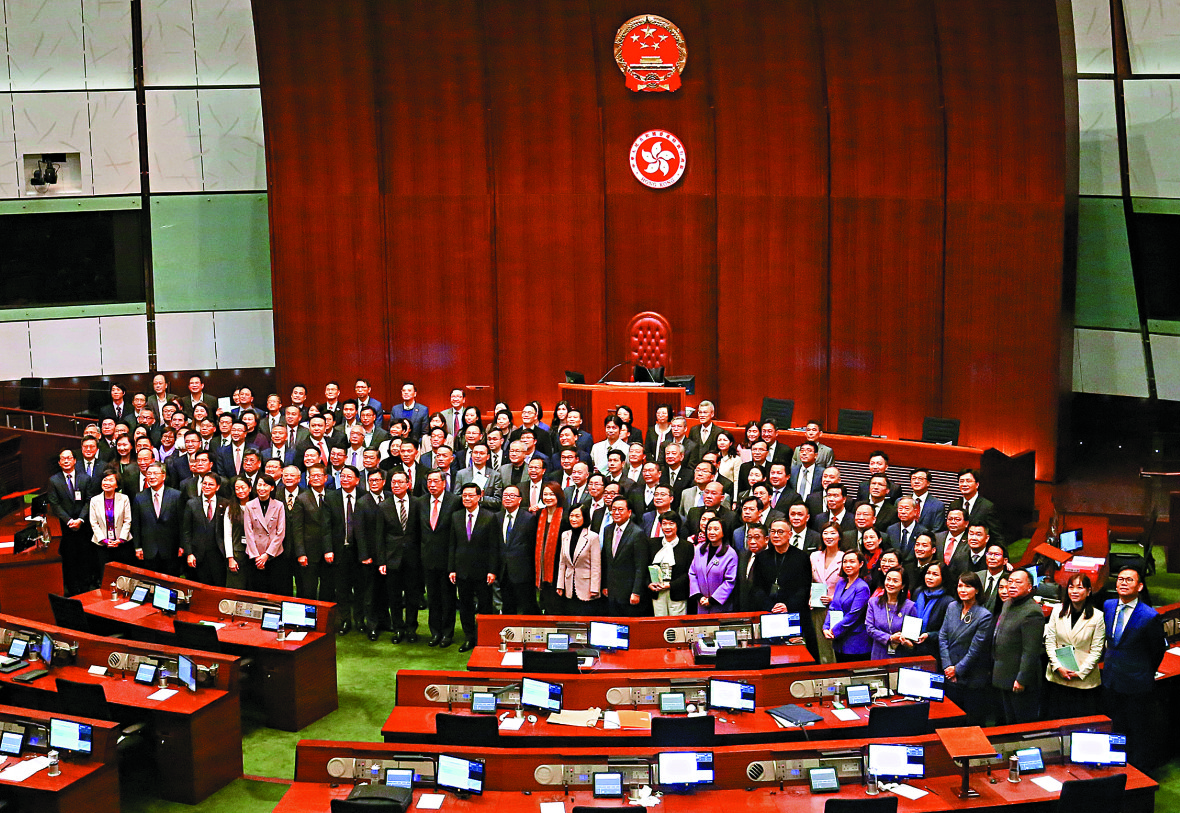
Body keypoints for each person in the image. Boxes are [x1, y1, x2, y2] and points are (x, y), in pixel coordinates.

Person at [1102, 565, 1167, 769]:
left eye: (1129, 580)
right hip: (1111, 680)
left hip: (1136, 684)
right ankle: (1114, 765)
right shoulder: (1108, 605)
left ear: (1139, 586)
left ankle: (1138, 772)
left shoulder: (1149, 616)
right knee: (1115, 726)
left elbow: (1157, 651)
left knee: (1137, 731)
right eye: (1120, 579)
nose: (1123, 583)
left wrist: (1143, 672)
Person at [448, 483, 502, 652]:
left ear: (479, 497)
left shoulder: (490, 516)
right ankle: (469, 637)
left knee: (485, 606)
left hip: (483, 570)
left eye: (471, 495)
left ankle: (485, 638)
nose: (467, 498)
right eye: (464, 495)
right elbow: (452, 545)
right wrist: (452, 568)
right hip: (462, 570)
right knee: (465, 606)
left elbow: (494, 546)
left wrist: (492, 570)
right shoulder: (456, 516)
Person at [1043, 573, 1104, 718]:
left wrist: (1080, 672)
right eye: (1071, 587)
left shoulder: (1097, 616)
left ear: (1089, 591)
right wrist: (1058, 667)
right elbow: (1050, 642)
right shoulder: (1057, 610)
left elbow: (1096, 650)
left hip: (1083, 681)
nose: (1074, 591)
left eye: (1080, 587)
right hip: (1058, 677)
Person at [939, 572, 993, 726]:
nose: (962, 590)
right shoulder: (952, 607)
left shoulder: (984, 616)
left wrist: (957, 670)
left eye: (968, 586)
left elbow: (976, 649)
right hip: (950, 675)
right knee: (951, 721)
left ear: (976, 590)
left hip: (971, 678)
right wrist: (947, 666)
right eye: (960, 586)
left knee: (970, 723)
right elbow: (943, 637)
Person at [991, 568, 1044, 724]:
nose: (1012, 585)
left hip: (1018, 678)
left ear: (1029, 588)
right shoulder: (1008, 604)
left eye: (1018, 582)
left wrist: (1022, 679)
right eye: (1010, 582)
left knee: (1020, 724)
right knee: (1006, 722)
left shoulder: (1032, 612)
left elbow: (1031, 651)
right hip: (1003, 673)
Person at [242, 473, 290, 595]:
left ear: (272, 488)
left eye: (265, 485)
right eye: (259, 485)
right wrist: (257, 557)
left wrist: (267, 555)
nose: (262, 488)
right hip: (255, 556)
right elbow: (249, 532)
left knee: (274, 589)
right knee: (256, 590)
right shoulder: (249, 505)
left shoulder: (279, 505)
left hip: (274, 555)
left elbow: (280, 532)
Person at [497, 485, 539, 615]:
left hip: (523, 573)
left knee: (528, 608)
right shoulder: (497, 517)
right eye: (505, 496)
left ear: (520, 499)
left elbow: (532, 546)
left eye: (512, 496)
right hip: (503, 572)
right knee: (508, 609)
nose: (508, 498)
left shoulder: (528, 518)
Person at [601, 496, 648, 616]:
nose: (616, 512)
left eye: (620, 509)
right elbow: (606, 561)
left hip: (629, 592)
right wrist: (605, 585)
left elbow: (640, 566)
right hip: (611, 591)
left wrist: (636, 592)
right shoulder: (608, 530)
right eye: (614, 509)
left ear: (629, 512)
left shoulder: (637, 533)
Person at [181, 472, 228, 586]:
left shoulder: (225, 503)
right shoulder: (192, 503)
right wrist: (189, 553)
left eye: (210, 484)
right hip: (198, 555)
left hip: (218, 555)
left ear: (217, 487)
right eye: (204, 484)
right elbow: (186, 531)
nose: (206, 487)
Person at [824, 550, 871, 662]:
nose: (848, 565)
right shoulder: (841, 583)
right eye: (845, 562)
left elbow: (853, 615)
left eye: (852, 562)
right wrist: (826, 627)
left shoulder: (862, 587)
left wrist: (834, 630)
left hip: (855, 642)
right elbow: (833, 606)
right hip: (838, 641)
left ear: (860, 564)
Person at [555, 503, 601, 614]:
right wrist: (560, 585)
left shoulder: (592, 537)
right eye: (571, 516)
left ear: (584, 517)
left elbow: (596, 565)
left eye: (577, 516)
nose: (573, 519)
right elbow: (562, 563)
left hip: (586, 587)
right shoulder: (565, 535)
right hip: (569, 586)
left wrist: (595, 588)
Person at [866, 567, 918, 660]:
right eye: (888, 579)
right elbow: (869, 629)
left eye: (895, 581)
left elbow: (912, 640)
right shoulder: (873, 602)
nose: (890, 583)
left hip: (900, 655)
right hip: (878, 654)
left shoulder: (910, 606)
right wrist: (889, 638)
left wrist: (906, 642)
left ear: (902, 586)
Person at [647, 511, 692, 616]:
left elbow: (688, 573)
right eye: (664, 523)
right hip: (657, 592)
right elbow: (645, 567)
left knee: (677, 627)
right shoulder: (652, 544)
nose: (667, 527)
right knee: (659, 625)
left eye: (671, 524)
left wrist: (670, 585)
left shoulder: (687, 546)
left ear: (677, 525)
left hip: (677, 593)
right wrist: (649, 584)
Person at [689, 518, 738, 613]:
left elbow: (730, 581)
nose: (711, 532)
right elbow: (692, 573)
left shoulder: (730, 553)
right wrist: (699, 596)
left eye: (716, 529)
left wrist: (712, 600)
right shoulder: (700, 549)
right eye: (709, 529)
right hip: (701, 604)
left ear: (723, 532)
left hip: (721, 606)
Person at [89, 469, 132, 575]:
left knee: (123, 574)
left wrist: (120, 539)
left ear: (117, 485)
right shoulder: (94, 500)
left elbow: (127, 521)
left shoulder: (124, 498)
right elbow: (93, 523)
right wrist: (104, 540)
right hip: (101, 544)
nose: (107, 483)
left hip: (122, 544)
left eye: (111, 480)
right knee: (105, 575)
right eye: (105, 480)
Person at [910, 562, 953, 666]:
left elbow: (949, 631)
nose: (930, 577)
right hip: (912, 647)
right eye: (928, 573)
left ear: (943, 577)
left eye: (935, 574)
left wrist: (929, 635)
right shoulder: (918, 592)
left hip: (934, 651)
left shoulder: (948, 601)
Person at [533, 482, 566, 614]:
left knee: (556, 606)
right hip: (541, 567)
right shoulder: (539, 515)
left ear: (558, 496)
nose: (548, 497)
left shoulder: (565, 516)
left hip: (558, 568)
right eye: (545, 494)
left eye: (552, 494)